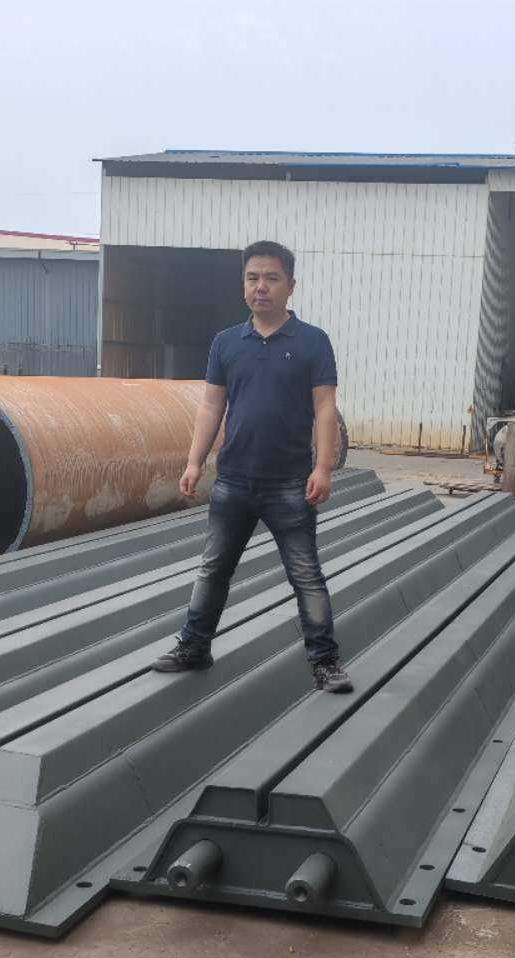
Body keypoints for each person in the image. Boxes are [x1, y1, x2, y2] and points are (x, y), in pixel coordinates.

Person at [151, 240, 353, 693]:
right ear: (243, 284)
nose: (261, 287)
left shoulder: (312, 342)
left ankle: (325, 661)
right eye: (252, 278)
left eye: (272, 278)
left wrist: (323, 468)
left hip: (290, 484)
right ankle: (194, 647)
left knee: (306, 574)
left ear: (291, 285)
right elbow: (211, 406)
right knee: (213, 569)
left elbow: (325, 408)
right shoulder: (226, 343)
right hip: (234, 481)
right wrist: (194, 462)